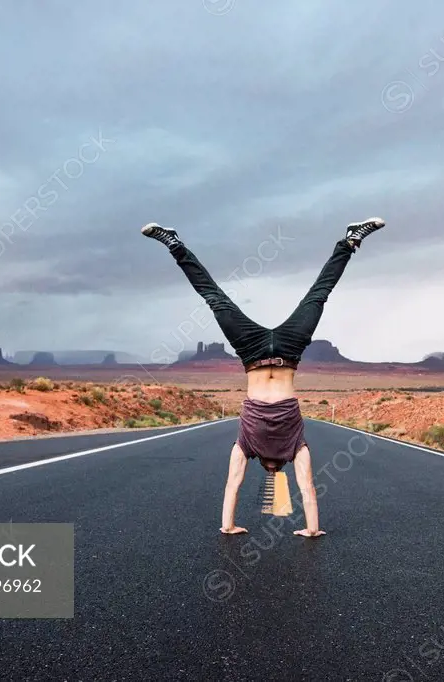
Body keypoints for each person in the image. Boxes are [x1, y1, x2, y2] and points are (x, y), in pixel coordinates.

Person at [141, 217, 386, 537]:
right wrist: (312, 529)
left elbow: (234, 483)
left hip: (251, 353)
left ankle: (174, 244)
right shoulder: (296, 447)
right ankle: (350, 241)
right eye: (274, 467)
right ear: (279, 463)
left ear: (264, 463)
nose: (272, 467)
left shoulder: (247, 444)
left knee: (214, 299)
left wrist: (228, 526)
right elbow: (307, 487)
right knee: (318, 296)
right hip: (290, 349)